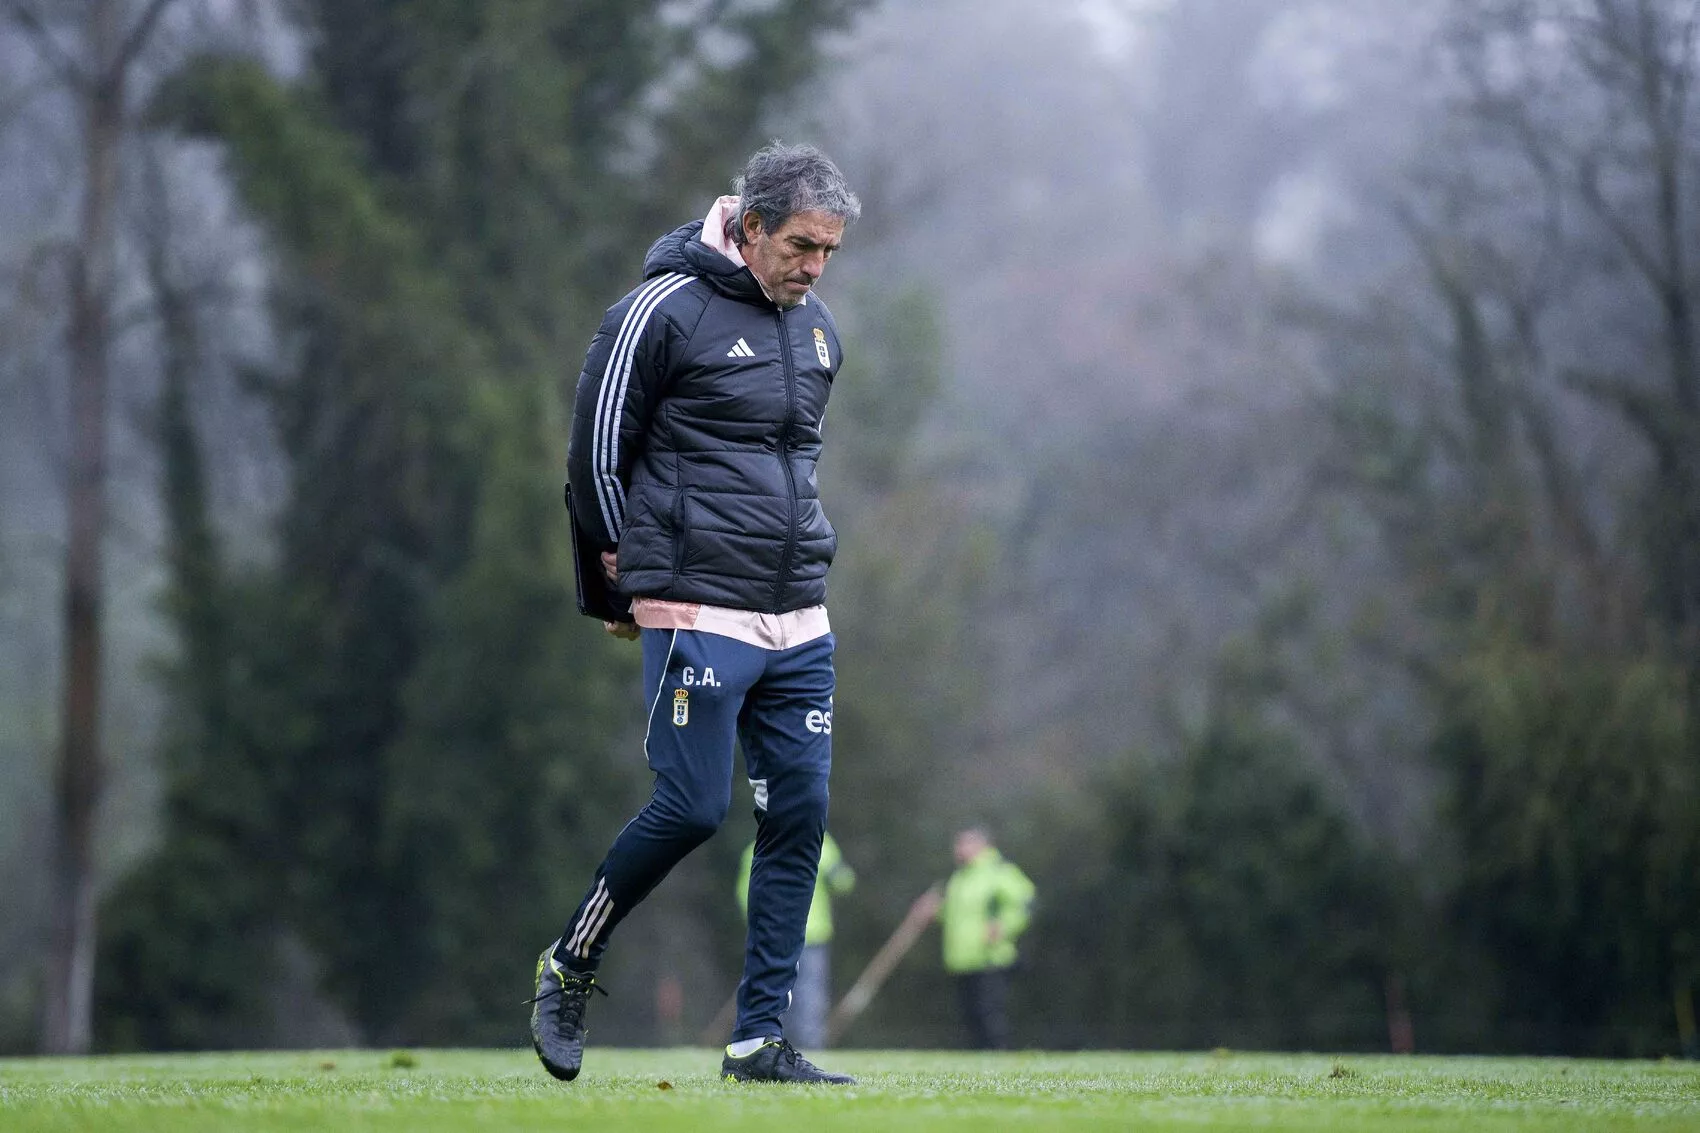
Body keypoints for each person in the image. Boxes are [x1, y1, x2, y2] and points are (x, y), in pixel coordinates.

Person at [530, 142, 861, 1086]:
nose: (814, 266)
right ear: (751, 226)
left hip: (798, 616)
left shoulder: (822, 330)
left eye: (829, 250)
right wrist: (616, 591)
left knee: (798, 815)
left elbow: (792, 467)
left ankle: (760, 1041)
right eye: (801, 244)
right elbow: (594, 456)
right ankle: (569, 962)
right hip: (692, 604)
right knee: (691, 807)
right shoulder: (659, 311)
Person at [737, 832, 855, 1049]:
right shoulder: (819, 841)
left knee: (802, 995)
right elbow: (747, 894)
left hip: (806, 935)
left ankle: (805, 1048)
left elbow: (844, 882)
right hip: (785, 936)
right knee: (789, 993)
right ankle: (778, 1045)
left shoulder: (819, 843)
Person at [939, 828, 1035, 1050]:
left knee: (989, 1014)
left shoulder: (999, 872)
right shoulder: (959, 877)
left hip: (990, 956)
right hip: (962, 958)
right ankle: (978, 1064)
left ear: (983, 845)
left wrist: (1005, 926)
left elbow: (1026, 904)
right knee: (969, 1015)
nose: (959, 849)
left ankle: (999, 1059)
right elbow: (957, 916)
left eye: (964, 844)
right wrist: (935, 910)